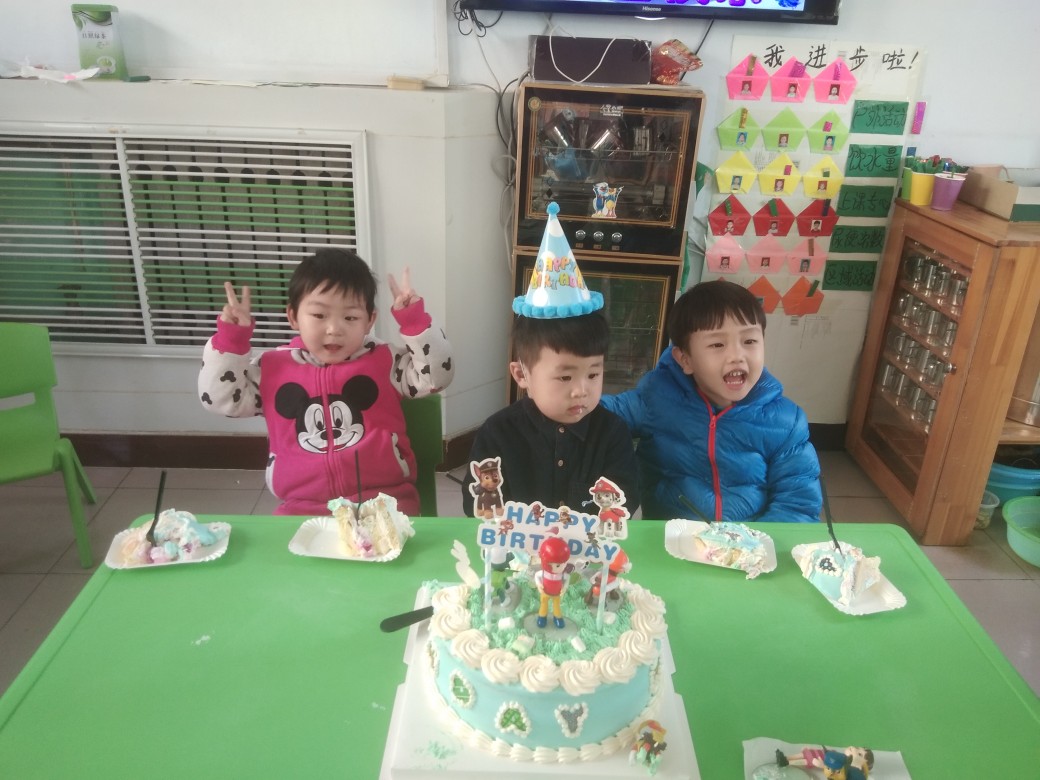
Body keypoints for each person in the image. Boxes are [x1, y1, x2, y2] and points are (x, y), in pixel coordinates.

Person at [198, 248, 453, 516]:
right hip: (301, 507)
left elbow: (436, 377)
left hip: (385, 503)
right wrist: (231, 340)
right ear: (293, 317)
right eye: (319, 315)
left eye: (350, 317)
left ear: (369, 321)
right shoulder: (272, 368)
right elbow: (219, 400)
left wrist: (414, 322)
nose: (334, 329)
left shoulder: (384, 361)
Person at [601, 279, 821, 523]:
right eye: (717, 344)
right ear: (685, 360)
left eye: (749, 341)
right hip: (669, 537)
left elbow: (797, 505)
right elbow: (596, 412)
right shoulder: (655, 399)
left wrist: (755, 541)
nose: (737, 356)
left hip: (749, 541)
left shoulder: (786, 422)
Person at [461, 310, 640, 517]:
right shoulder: (497, 433)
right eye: (565, 377)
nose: (581, 391)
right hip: (518, 537)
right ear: (521, 375)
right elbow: (477, 505)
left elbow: (625, 499)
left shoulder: (612, 432)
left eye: (593, 374)